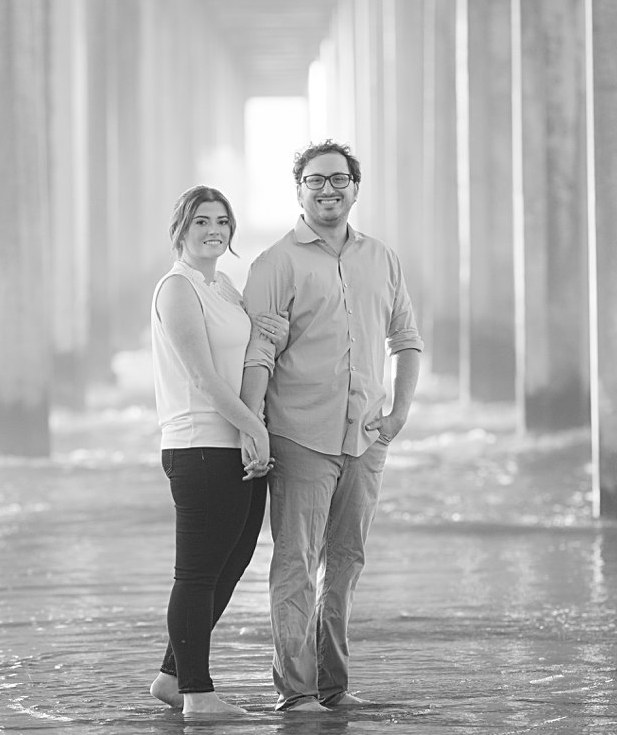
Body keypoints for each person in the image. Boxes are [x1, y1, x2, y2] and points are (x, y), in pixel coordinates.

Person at [241, 140, 423, 711]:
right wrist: (255, 430)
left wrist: (398, 415)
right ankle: (295, 692)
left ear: (354, 187)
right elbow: (258, 357)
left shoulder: (383, 258)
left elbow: (407, 341)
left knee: (345, 564)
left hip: (366, 440)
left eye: (338, 179)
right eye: (315, 180)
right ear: (299, 189)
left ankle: (333, 685)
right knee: (295, 566)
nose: (328, 189)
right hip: (300, 437)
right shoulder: (275, 263)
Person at [148, 185, 289, 716]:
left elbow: (247, 351)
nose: (213, 229)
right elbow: (203, 378)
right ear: (180, 230)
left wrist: (271, 330)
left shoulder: (224, 285)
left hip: (235, 441)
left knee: (231, 565)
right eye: (201, 220)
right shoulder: (177, 287)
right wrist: (255, 428)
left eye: (222, 221)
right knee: (198, 573)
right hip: (200, 446)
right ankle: (197, 695)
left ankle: (171, 677)